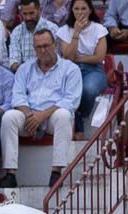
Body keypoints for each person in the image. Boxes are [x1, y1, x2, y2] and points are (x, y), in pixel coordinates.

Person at [0, 29, 82, 189]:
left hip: (52, 116)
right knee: (9, 117)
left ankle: (56, 171)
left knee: (64, 115)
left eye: (46, 45)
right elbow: (17, 96)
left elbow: (70, 101)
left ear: (55, 45)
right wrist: (30, 115)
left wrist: (42, 116)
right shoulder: (25, 68)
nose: (43, 50)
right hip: (28, 115)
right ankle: (10, 174)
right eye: (38, 47)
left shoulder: (70, 69)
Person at [56, 0, 107, 132]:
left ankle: (80, 116)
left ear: (90, 10)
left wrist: (77, 58)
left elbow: (99, 57)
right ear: (71, 10)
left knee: (88, 89)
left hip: (94, 70)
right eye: (76, 9)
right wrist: (76, 33)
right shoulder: (64, 30)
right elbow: (68, 57)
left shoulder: (99, 29)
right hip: (71, 70)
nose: (80, 12)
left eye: (83, 9)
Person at [10, 0, 59, 73]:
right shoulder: (16, 32)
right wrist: (29, 73)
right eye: (25, 14)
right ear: (20, 13)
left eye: (31, 13)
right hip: (24, 75)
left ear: (40, 10)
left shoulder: (52, 29)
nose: (28, 18)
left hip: (50, 73)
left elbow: (57, 59)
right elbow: (14, 63)